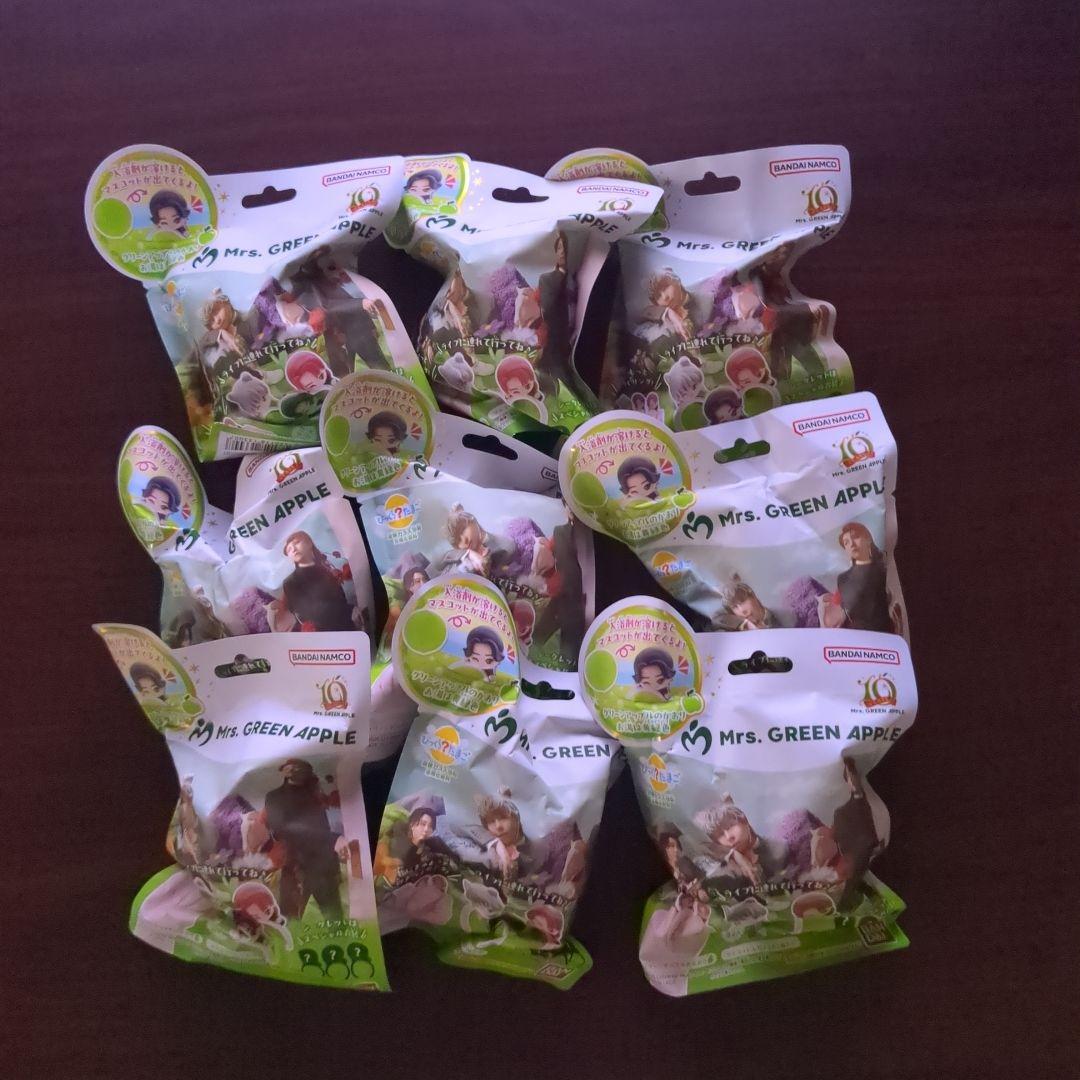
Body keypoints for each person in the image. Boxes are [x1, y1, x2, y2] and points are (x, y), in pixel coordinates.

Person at [263, 759, 348, 920]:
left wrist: (335, 867)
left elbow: (324, 826)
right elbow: (282, 830)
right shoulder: (274, 797)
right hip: (296, 867)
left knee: (335, 919)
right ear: (284, 771)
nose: (293, 770)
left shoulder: (315, 795)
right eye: (289, 767)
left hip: (323, 868)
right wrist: (333, 840)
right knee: (290, 920)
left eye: (298, 767)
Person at [694, 796, 789, 892]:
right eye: (720, 835)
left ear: (744, 820)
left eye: (730, 826)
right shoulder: (726, 872)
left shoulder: (777, 850)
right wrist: (734, 855)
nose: (728, 837)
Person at [268, 531, 354, 633]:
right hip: (323, 634)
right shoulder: (289, 582)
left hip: (348, 627)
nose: (293, 549)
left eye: (297, 542)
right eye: (289, 549)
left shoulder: (327, 570)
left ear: (309, 543)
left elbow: (341, 599)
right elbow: (310, 612)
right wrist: (350, 610)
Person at [820, 523, 892, 632]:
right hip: (856, 637)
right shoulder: (843, 579)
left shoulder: (885, 568)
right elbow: (835, 614)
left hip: (886, 634)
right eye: (846, 542)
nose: (852, 544)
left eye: (856, 537)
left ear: (868, 539)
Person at [437, 504, 516, 577]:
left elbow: (510, 549)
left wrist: (487, 563)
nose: (464, 540)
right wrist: (467, 553)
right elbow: (439, 565)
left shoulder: (501, 544)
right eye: (458, 540)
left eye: (463, 529)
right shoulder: (458, 555)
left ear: (472, 520)